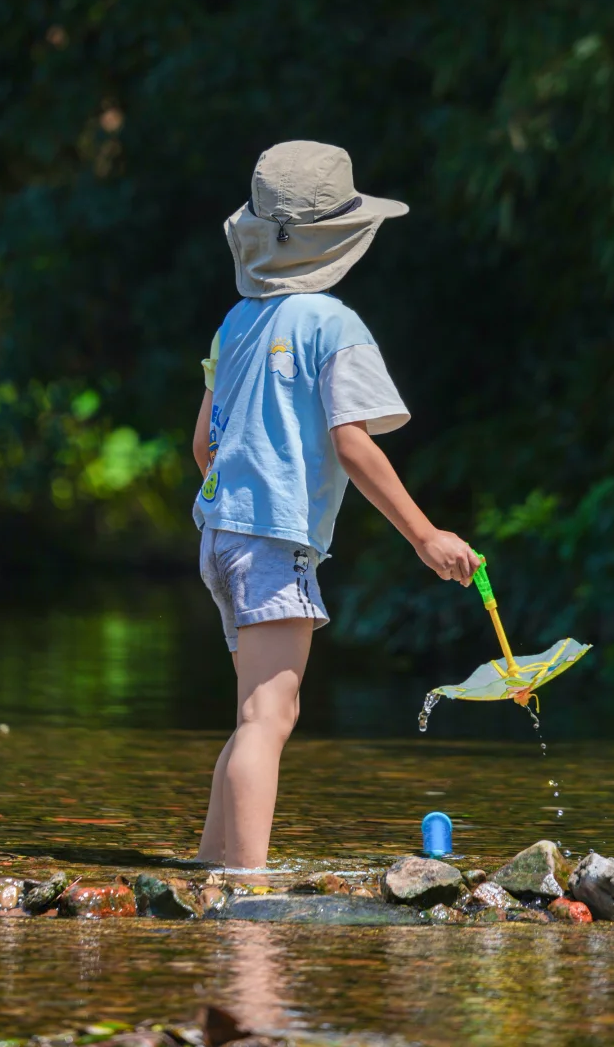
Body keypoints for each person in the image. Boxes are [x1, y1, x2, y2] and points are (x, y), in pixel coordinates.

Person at [191, 140, 481, 869]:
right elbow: (351, 443)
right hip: (274, 541)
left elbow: (202, 446)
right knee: (270, 715)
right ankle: (246, 883)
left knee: (252, 711)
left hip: (221, 535)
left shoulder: (235, 324)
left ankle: (211, 863)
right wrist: (424, 535)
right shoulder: (332, 324)